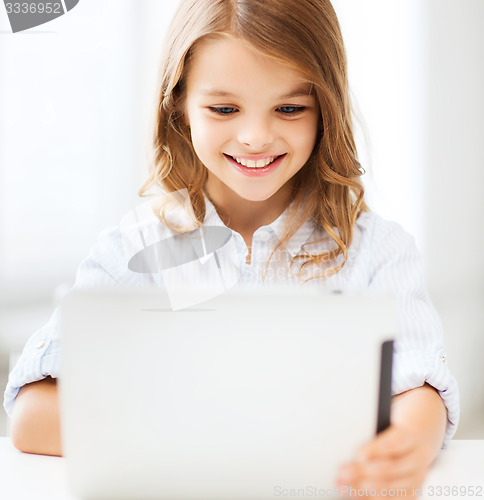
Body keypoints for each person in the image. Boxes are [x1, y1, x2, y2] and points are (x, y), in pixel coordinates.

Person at [4, 0, 458, 497]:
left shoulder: (377, 251)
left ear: (326, 109)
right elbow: (31, 414)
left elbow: (422, 391)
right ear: (177, 104)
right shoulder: (136, 250)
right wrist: (207, 428)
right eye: (224, 109)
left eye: (289, 108)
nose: (256, 137)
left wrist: (408, 446)